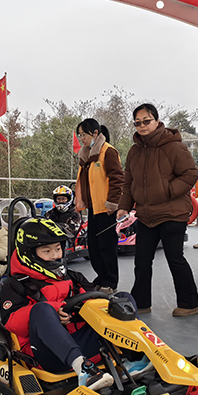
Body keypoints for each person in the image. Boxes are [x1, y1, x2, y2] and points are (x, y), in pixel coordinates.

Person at [0, 217, 149, 391]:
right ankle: (84, 370)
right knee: (41, 309)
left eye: (57, 248)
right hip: (50, 353)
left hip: (83, 341)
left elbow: (95, 300)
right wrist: (54, 311)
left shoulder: (72, 276)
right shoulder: (15, 285)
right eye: (47, 251)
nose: (55, 255)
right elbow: (12, 323)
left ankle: (136, 358)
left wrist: (85, 307)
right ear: (29, 253)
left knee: (123, 298)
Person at [117, 103, 198, 317]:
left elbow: (190, 174)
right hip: (146, 215)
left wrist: (168, 190)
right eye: (138, 123)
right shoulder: (135, 151)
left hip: (172, 213)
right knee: (142, 261)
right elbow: (128, 183)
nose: (142, 126)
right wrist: (124, 206)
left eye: (146, 121)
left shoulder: (174, 147)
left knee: (175, 259)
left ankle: (190, 303)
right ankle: (141, 302)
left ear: (156, 121)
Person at [75, 118, 124, 295]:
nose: (82, 138)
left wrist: (112, 203)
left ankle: (110, 281)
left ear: (95, 133)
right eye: (79, 135)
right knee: (94, 246)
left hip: (106, 208)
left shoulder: (108, 152)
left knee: (106, 246)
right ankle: (101, 277)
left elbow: (117, 179)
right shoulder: (86, 155)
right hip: (93, 208)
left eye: (84, 134)